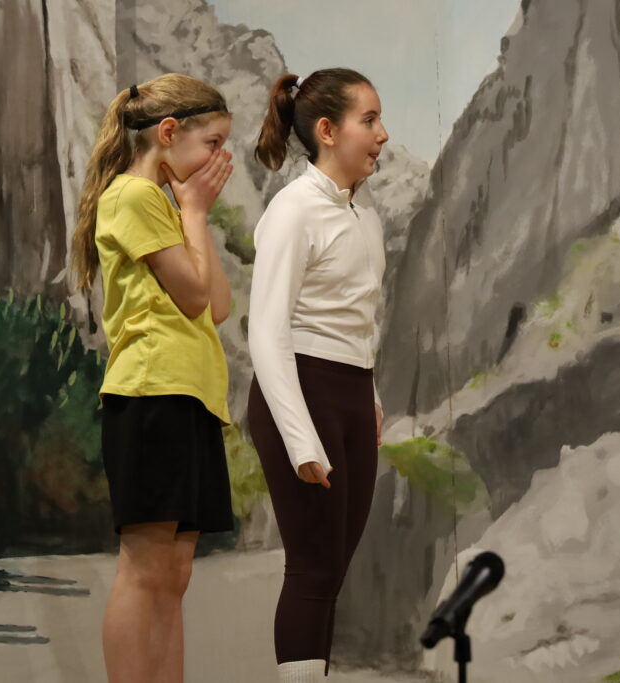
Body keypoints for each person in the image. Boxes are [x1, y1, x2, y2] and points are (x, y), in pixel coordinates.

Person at [72, 72, 235, 683]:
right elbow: (193, 297)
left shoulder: (166, 204)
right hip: (151, 392)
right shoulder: (133, 196)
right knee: (144, 568)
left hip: (189, 395)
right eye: (212, 144)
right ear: (168, 133)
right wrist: (193, 210)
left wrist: (194, 215)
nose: (217, 160)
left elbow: (218, 306)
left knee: (175, 572)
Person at [247, 68, 389, 682]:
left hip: (350, 395)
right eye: (369, 120)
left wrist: (370, 397)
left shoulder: (365, 215)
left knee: (331, 572)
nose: (383, 134)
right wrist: (300, 438)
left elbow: (356, 319)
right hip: (303, 395)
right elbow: (267, 331)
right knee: (312, 569)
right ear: (327, 131)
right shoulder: (293, 210)